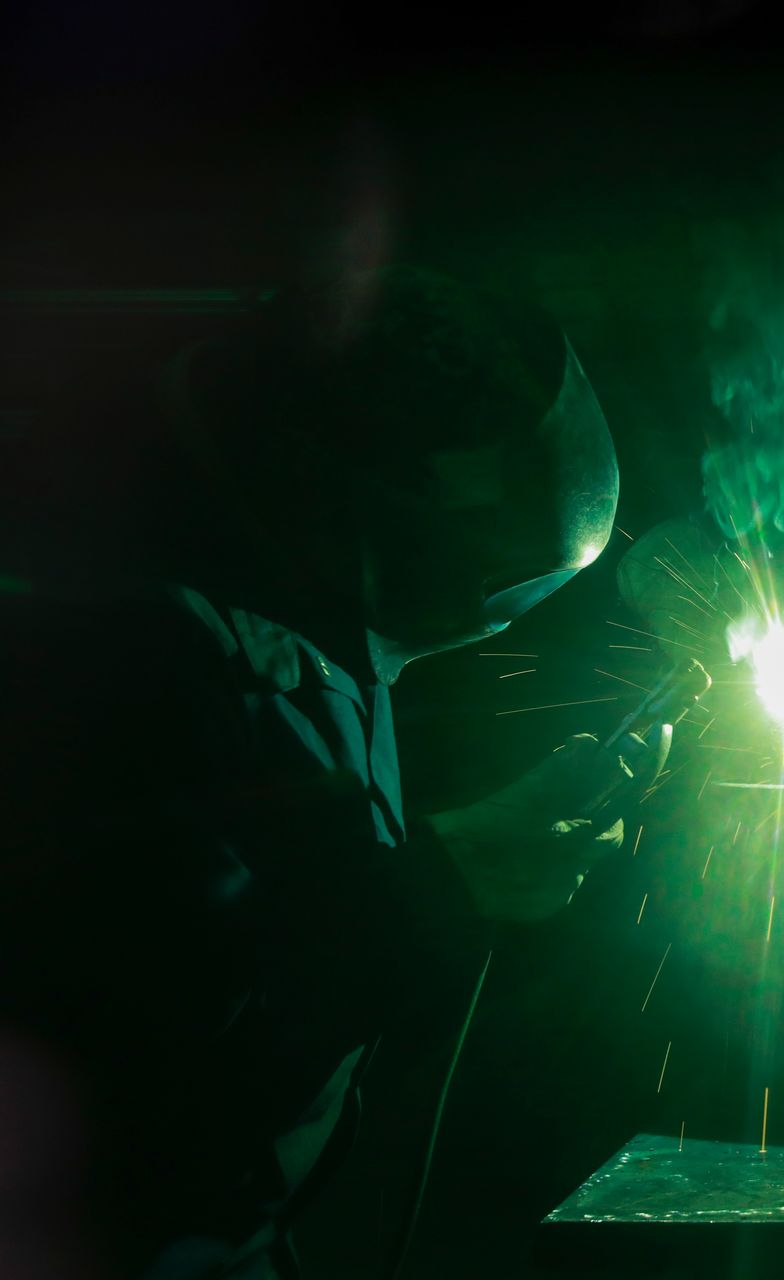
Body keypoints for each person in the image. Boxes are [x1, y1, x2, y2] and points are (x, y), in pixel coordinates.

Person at [0, 267, 658, 1279]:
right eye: (491, 578)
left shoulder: (293, 615)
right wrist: (451, 875)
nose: (491, 613)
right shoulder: (127, 642)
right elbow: (132, 1055)